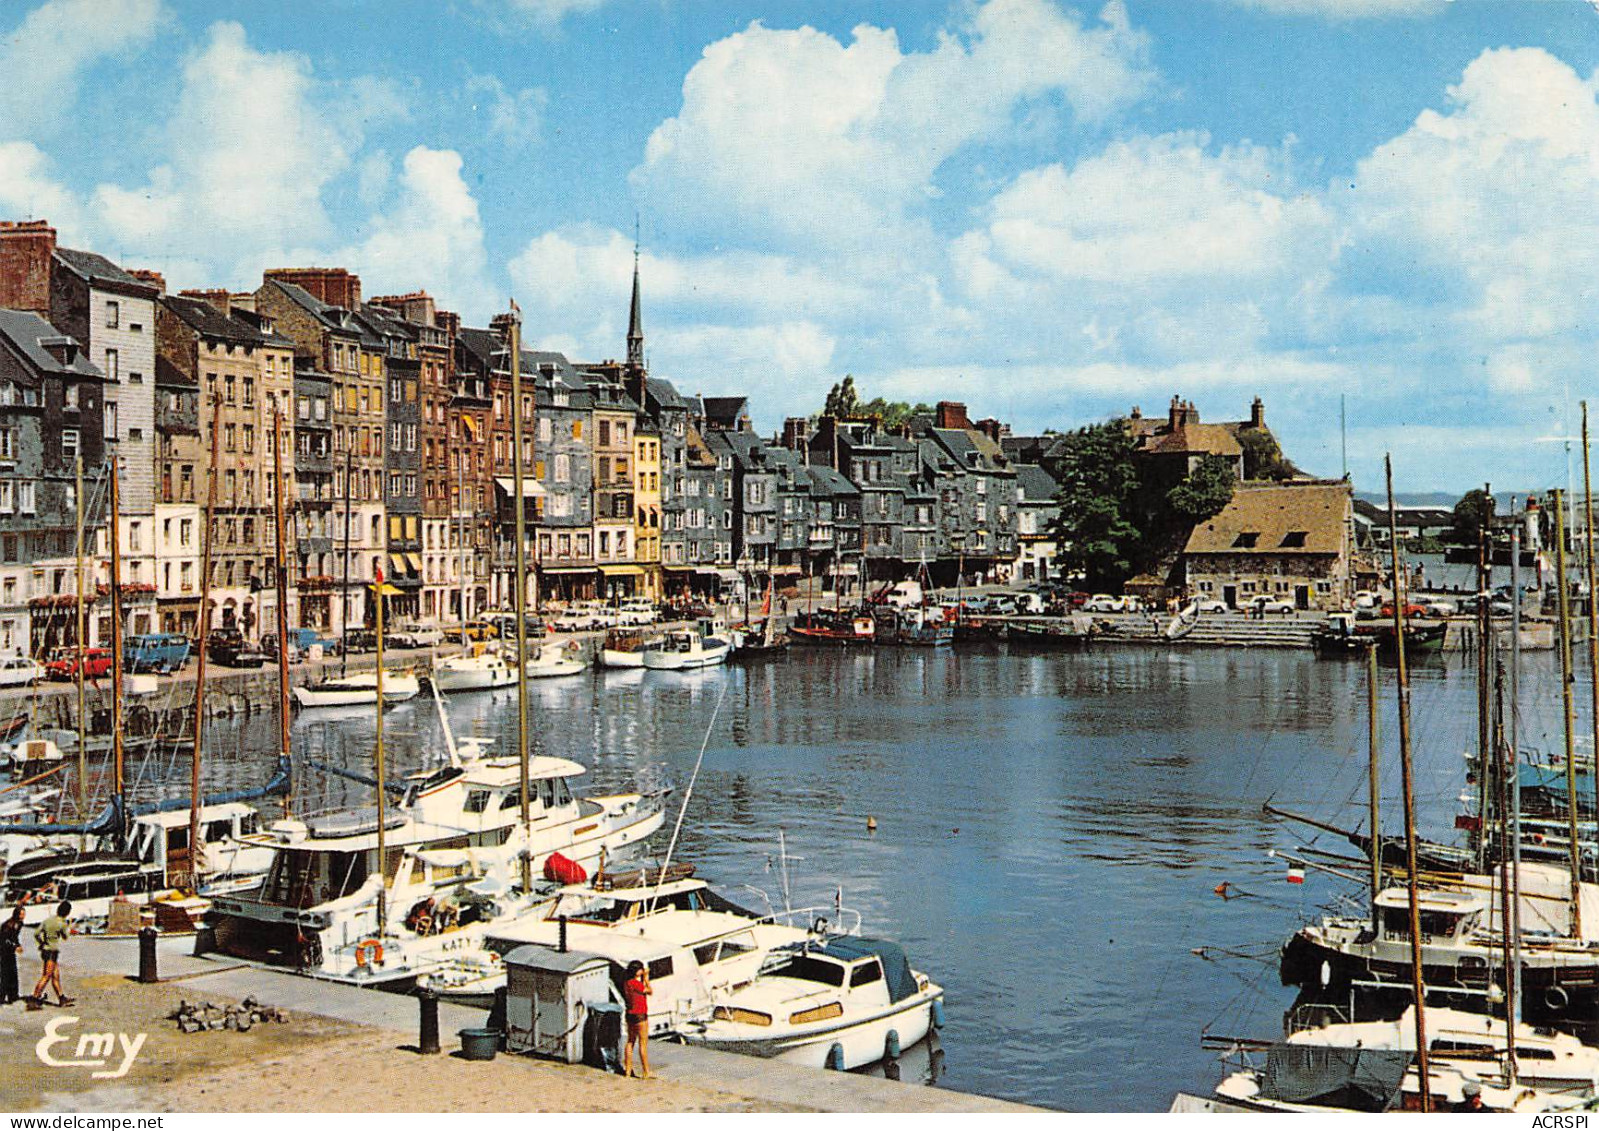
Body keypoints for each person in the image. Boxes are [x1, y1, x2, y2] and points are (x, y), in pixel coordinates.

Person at [29, 900, 73, 1010]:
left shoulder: (48, 920)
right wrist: (68, 926)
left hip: (46, 950)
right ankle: (34, 999)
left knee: (55, 975)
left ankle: (61, 998)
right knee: (47, 976)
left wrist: (42, 943)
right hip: (52, 952)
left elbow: (36, 934)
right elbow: (65, 937)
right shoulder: (62, 923)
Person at [621, 960, 652, 1079]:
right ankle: (646, 1072)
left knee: (630, 1041)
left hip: (630, 1015)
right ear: (637, 971)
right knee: (643, 1044)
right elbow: (649, 991)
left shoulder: (627, 983)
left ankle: (628, 1070)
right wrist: (646, 978)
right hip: (640, 1015)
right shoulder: (636, 984)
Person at [0, 904, 24, 1005]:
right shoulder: (8, 925)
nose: (23, 916)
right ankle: (2, 996)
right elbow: (4, 940)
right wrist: (15, 947)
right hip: (4, 951)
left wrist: (17, 944)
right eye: (22, 914)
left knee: (13, 973)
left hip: (10, 951)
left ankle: (13, 995)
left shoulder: (19, 923)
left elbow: (14, 937)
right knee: (6, 974)